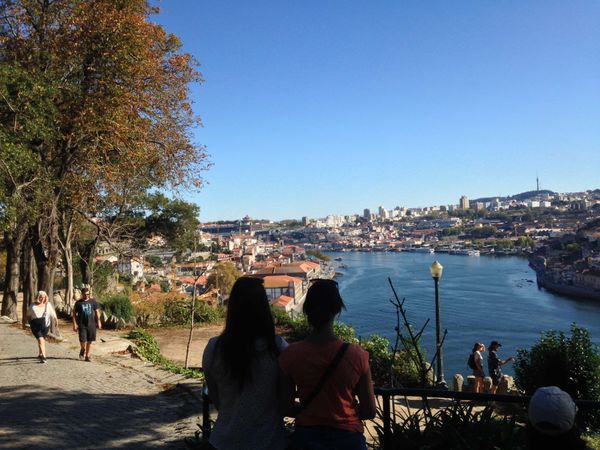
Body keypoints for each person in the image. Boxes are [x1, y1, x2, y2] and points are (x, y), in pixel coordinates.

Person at [279, 279, 376, 450]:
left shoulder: (290, 355)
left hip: (306, 439)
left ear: (307, 310)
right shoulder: (357, 355)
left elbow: (285, 406)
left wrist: (311, 412)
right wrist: (342, 413)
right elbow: (369, 411)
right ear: (337, 310)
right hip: (348, 439)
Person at [202, 277, 287, 450]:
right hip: (269, 442)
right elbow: (285, 401)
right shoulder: (278, 349)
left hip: (224, 441)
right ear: (264, 308)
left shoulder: (214, 348)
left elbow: (216, 397)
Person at [26, 291, 58, 363]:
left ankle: (40, 353)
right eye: (40, 297)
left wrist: (56, 320)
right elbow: (28, 315)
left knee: (41, 340)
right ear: (37, 297)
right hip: (35, 326)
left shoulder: (48, 305)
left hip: (45, 326)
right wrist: (29, 323)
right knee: (41, 340)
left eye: (43, 297)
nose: (42, 299)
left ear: (46, 297)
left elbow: (53, 314)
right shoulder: (32, 306)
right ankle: (44, 356)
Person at [72, 287, 101, 362]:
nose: (87, 296)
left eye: (88, 294)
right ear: (82, 294)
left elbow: (97, 312)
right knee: (83, 341)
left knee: (90, 341)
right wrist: (74, 324)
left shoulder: (93, 301)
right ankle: (82, 349)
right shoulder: (78, 303)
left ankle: (87, 356)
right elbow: (74, 314)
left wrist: (99, 321)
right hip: (82, 325)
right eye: (85, 294)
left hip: (91, 324)